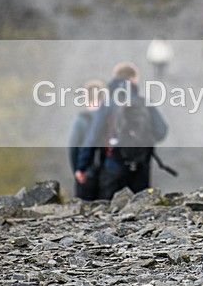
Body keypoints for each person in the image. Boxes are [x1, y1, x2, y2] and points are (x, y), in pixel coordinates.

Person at [75, 62, 168, 199]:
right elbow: (162, 131)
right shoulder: (145, 102)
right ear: (134, 80)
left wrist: (82, 167)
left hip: (114, 162)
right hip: (141, 164)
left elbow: (93, 137)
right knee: (141, 208)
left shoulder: (108, 103)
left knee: (110, 209)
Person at [68, 79, 106, 201]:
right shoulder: (110, 118)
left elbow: (73, 148)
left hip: (86, 174)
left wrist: (78, 170)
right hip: (108, 174)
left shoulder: (81, 120)